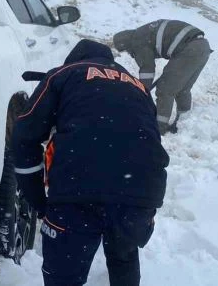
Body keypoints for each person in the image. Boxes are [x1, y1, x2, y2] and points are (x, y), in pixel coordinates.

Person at [12, 39, 169, 286]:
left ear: (74, 59)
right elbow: (149, 141)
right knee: (124, 255)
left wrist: (39, 203)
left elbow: (23, 139)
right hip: (141, 193)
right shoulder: (139, 87)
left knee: (63, 277)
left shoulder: (63, 75)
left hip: (77, 191)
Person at [113, 20, 212, 134]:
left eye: (125, 50)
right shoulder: (143, 33)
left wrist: (142, 91)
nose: (129, 53)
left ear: (125, 44)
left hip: (189, 48)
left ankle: (159, 127)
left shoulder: (137, 42)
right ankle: (184, 123)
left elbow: (147, 69)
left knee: (165, 90)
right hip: (202, 47)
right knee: (182, 90)